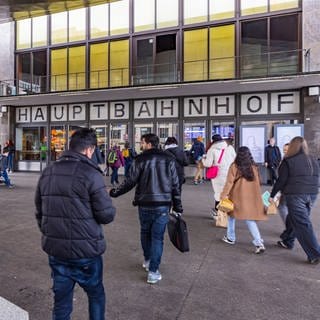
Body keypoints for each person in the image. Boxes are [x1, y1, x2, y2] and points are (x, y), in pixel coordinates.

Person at [34, 128, 116, 319]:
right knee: (96, 294)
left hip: (57, 251)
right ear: (90, 150)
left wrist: (51, 234)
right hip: (86, 252)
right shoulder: (91, 174)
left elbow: (40, 212)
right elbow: (106, 216)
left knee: (61, 302)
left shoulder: (48, 172)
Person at [109, 133, 183, 284]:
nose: (141, 145)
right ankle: (153, 272)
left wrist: (114, 192)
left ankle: (148, 260)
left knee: (145, 232)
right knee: (157, 238)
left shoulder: (140, 159)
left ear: (149, 144)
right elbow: (175, 184)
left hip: (144, 204)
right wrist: (178, 206)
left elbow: (129, 182)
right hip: (162, 205)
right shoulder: (169, 159)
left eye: (142, 142)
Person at [270, 136, 320, 264]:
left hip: (296, 195)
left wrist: (272, 195)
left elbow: (281, 181)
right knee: (296, 219)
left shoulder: (288, 161)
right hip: (313, 194)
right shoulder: (313, 160)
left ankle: (315, 254)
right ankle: (288, 241)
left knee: (303, 224)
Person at [220, 146, 267, 254]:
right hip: (252, 196)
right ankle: (259, 242)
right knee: (250, 219)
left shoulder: (234, 166)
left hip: (237, 196)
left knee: (231, 215)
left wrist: (223, 195)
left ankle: (231, 237)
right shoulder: (254, 166)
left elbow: (229, 182)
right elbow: (259, 181)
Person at [202, 134, 236, 216]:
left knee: (219, 194)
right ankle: (227, 211)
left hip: (218, 175)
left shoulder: (212, 150)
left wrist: (203, 159)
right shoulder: (230, 148)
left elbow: (208, 164)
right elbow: (235, 159)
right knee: (227, 192)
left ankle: (219, 213)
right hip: (230, 174)